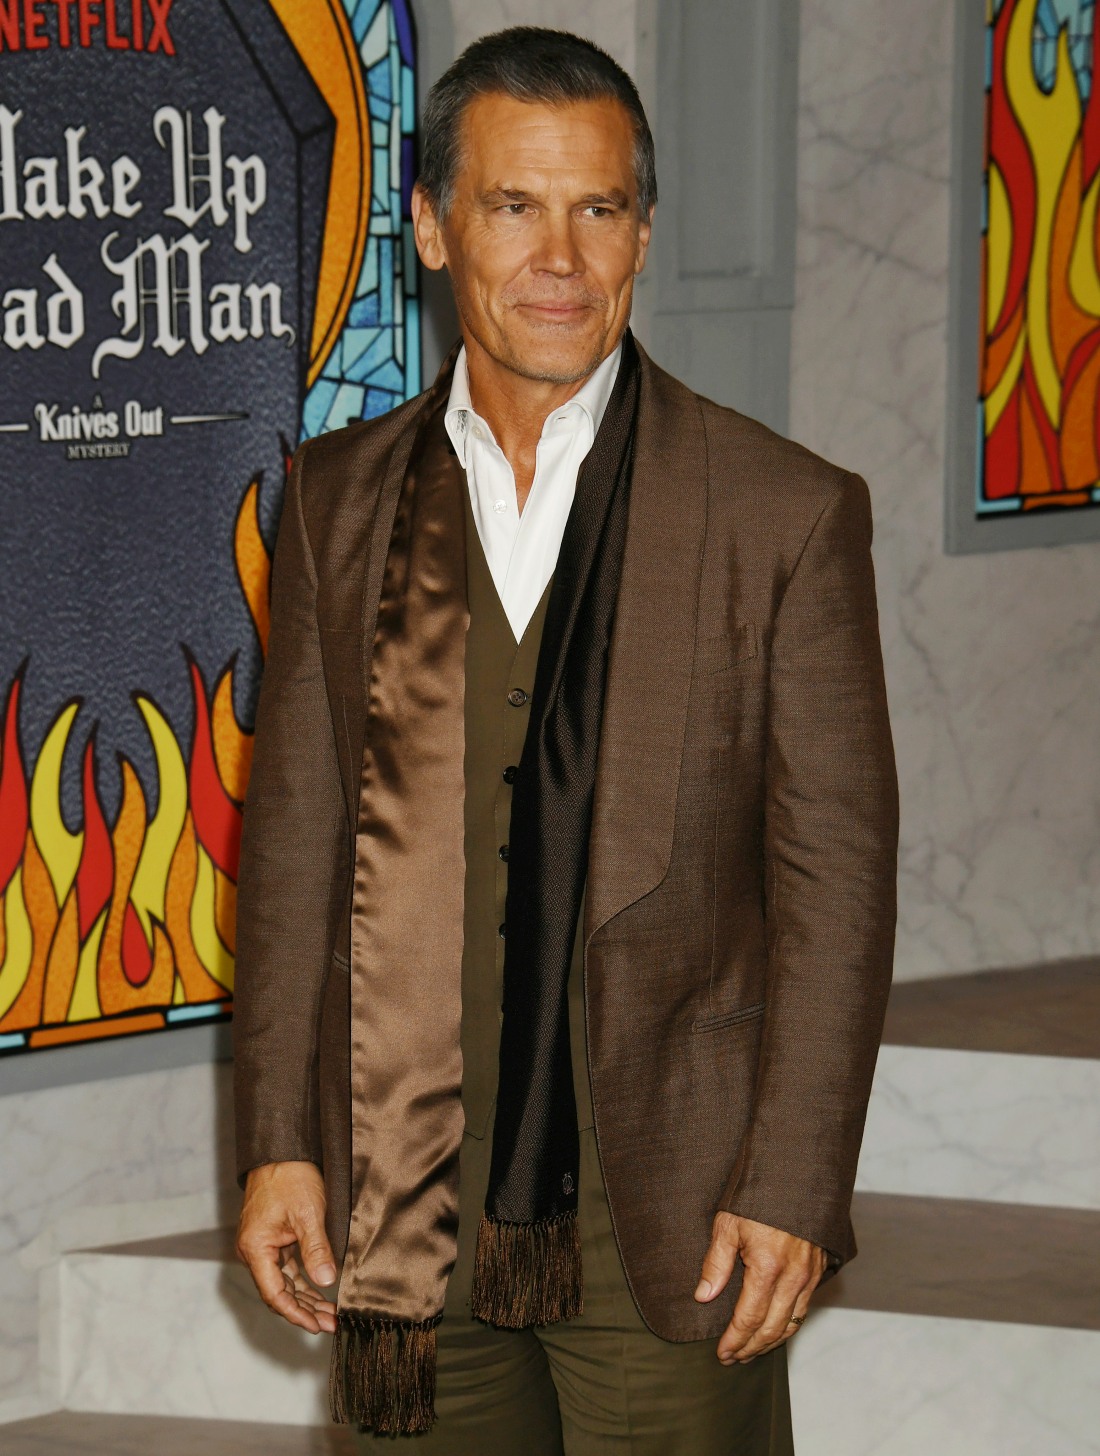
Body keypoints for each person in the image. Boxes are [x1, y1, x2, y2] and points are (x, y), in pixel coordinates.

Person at [232, 27, 899, 1456]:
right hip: (399, 1182)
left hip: (672, 1197)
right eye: (513, 205)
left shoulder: (782, 512)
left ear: (644, 233)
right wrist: (278, 1138)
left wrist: (794, 1182)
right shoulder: (337, 499)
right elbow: (294, 842)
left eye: (599, 208)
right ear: (431, 228)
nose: (560, 257)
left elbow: (837, 887)